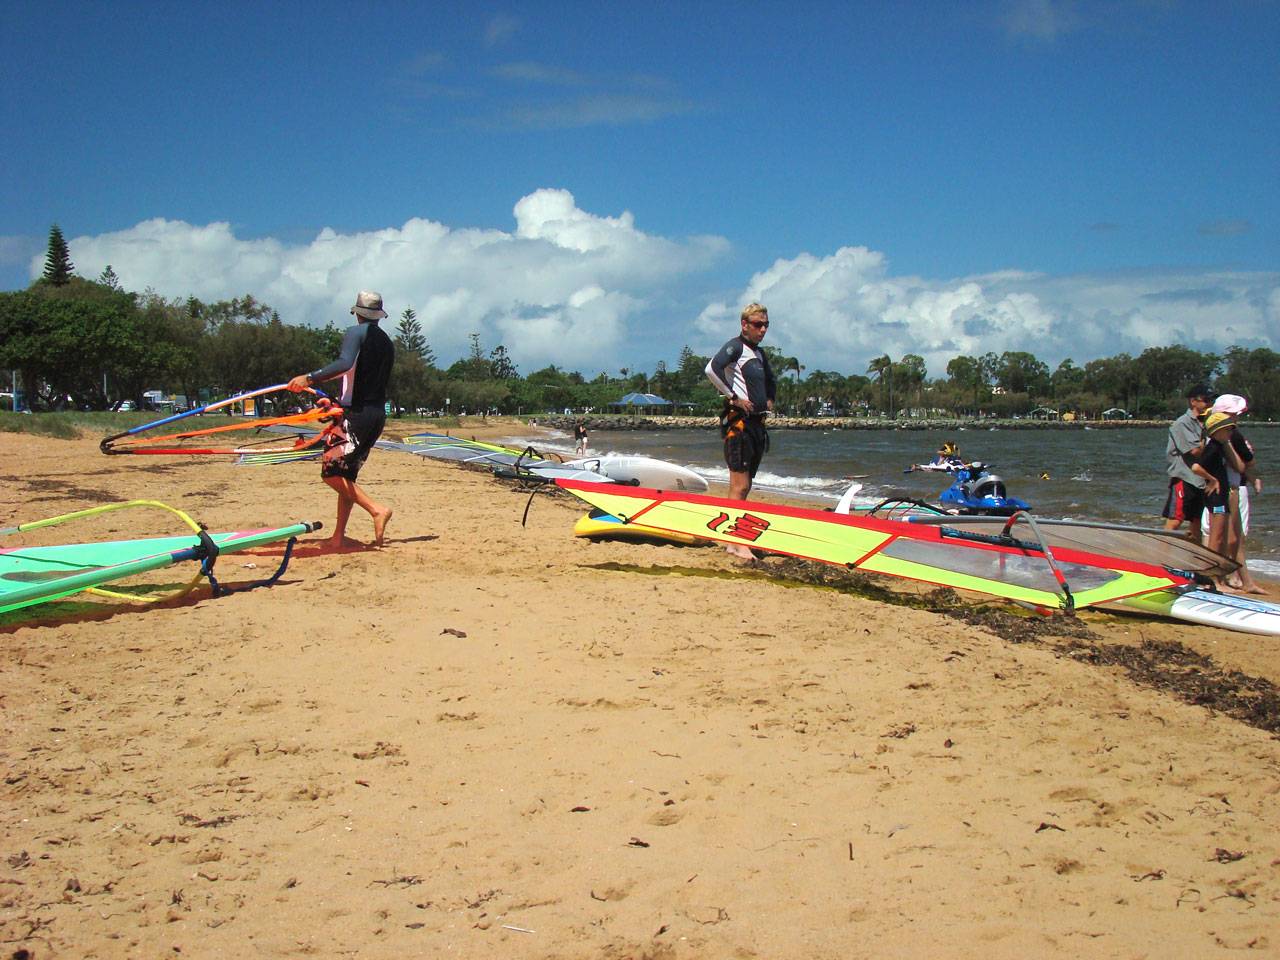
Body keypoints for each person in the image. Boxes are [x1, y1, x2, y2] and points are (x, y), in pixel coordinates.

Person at [287, 290, 395, 549]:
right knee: (346, 476)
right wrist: (336, 403)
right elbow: (363, 380)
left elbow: (345, 364)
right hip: (374, 414)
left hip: (357, 415)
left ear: (357, 313)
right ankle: (338, 537)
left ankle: (376, 509)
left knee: (331, 472)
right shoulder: (387, 342)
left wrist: (309, 378)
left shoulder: (355, 333)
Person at [705, 302, 776, 559]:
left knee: (745, 485)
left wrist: (770, 399)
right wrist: (733, 397)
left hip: (757, 425)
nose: (763, 330)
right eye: (758, 325)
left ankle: (732, 539)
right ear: (744, 324)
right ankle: (736, 541)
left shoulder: (759, 354)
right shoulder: (736, 347)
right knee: (740, 484)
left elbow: (770, 380)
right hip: (740, 424)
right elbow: (711, 369)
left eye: (766, 325)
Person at [1206, 395, 1264, 593]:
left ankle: (1238, 578)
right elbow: (1241, 465)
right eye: (1234, 415)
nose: (1236, 421)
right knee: (1223, 538)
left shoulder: (1226, 435)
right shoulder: (1223, 437)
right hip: (1225, 489)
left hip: (1229, 488)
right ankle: (1218, 578)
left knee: (1232, 538)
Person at [1197, 412, 1248, 580]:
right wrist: (1212, 480)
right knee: (1216, 538)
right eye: (1227, 430)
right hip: (1216, 498)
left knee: (1220, 537)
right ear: (1217, 431)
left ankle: (1215, 578)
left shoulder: (1219, 446)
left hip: (1221, 496)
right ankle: (1210, 578)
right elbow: (1196, 467)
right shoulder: (1212, 447)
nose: (1230, 433)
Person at [1161, 383, 1214, 542]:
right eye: (1205, 400)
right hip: (1184, 478)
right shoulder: (1182, 423)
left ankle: (1194, 557)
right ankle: (1163, 555)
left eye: (1211, 400)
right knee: (1175, 520)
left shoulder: (1205, 422)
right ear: (1193, 401)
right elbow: (1194, 451)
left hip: (1200, 480)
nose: (1209, 404)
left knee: (1197, 521)